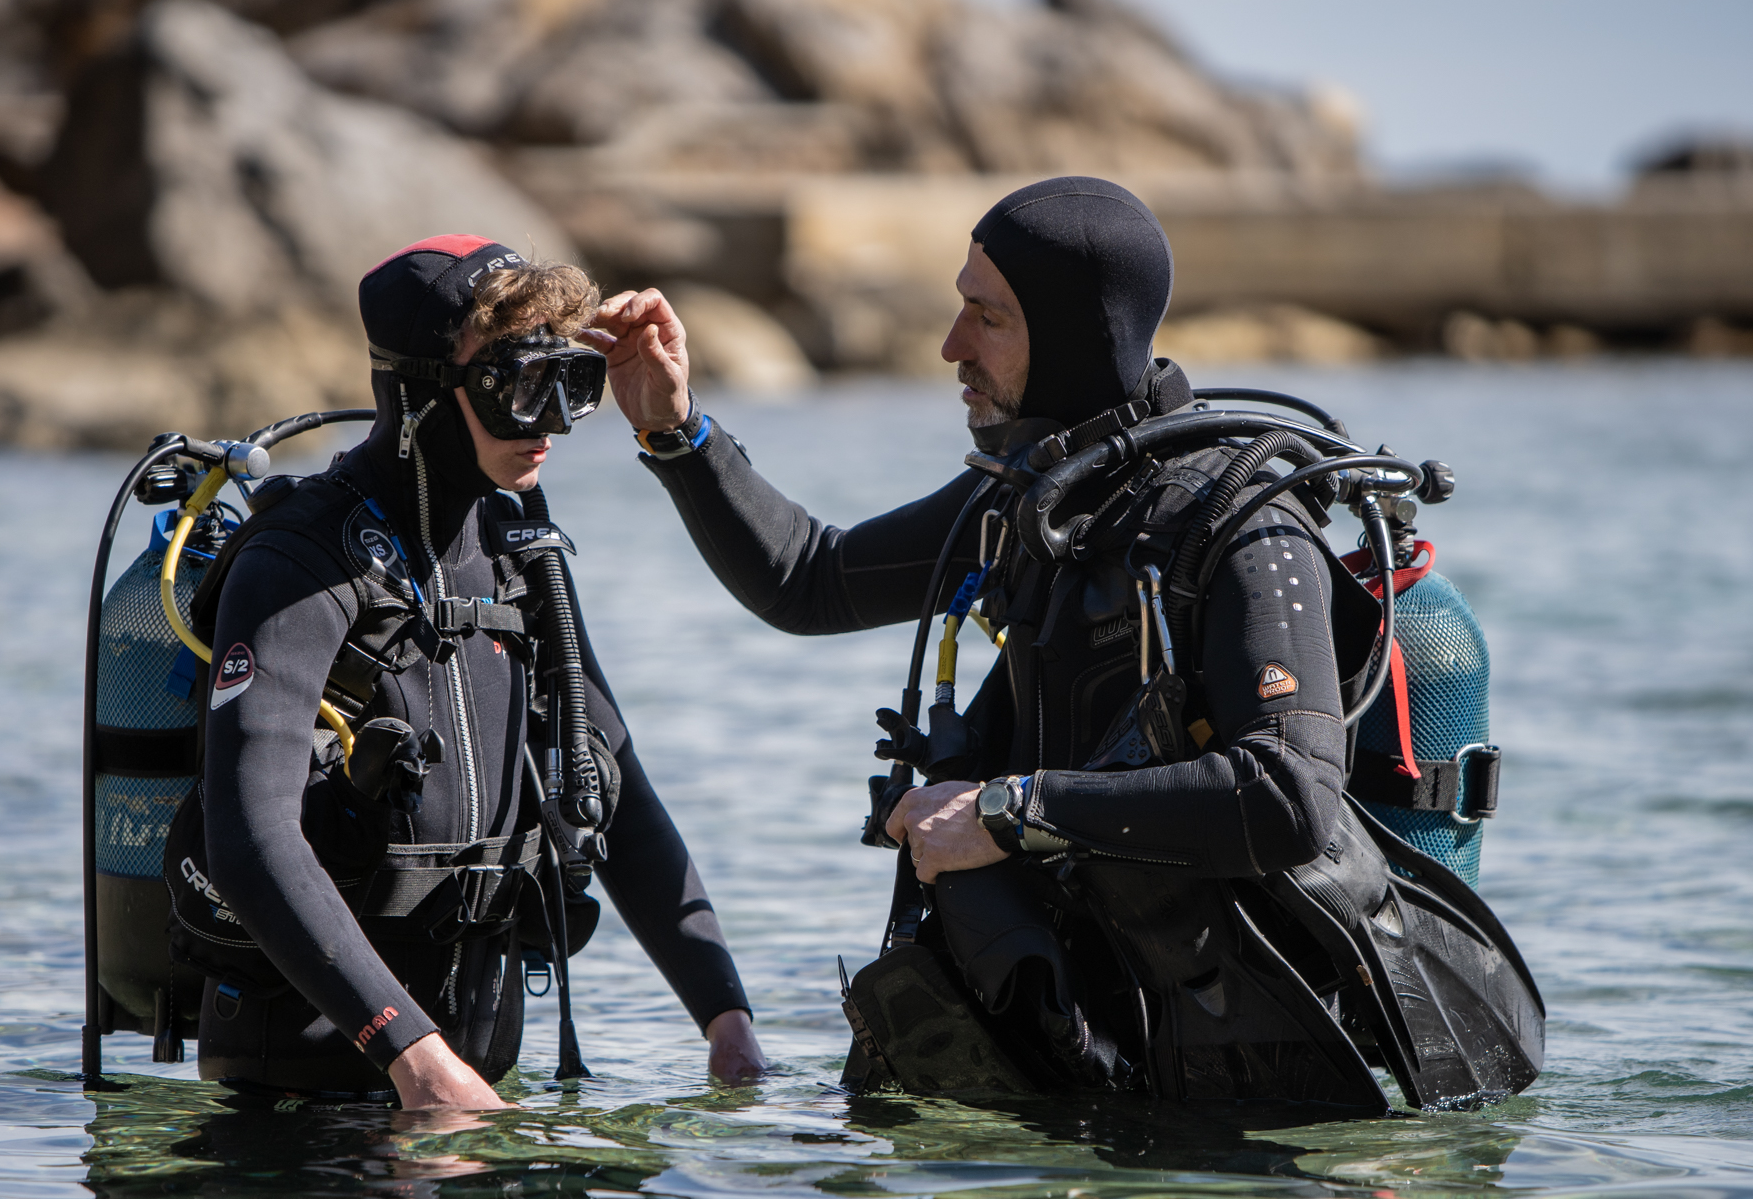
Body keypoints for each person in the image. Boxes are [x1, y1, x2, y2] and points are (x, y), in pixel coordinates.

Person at [582, 177, 1542, 1107]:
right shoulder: (1034, 504)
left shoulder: (1242, 527)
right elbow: (811, 580)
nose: (952, 344)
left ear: (1079, 335)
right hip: (1111, 1045)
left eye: (988, 318)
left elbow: (1286, 795)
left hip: (1271, 1088)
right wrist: (676, 433)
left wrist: (1007, 810)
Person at [177, 234, 765, 1109]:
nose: (549, 424)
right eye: (519, 385)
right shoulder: (298, 566)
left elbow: (614, 785)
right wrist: (414, 1056)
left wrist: (727, 1023)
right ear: (421, 391)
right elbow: (249, 837)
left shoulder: (517, 553)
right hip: (305, 1104)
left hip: (472, 1089)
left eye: (566, 383)